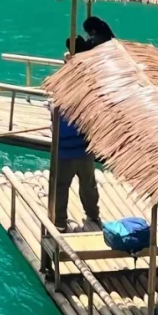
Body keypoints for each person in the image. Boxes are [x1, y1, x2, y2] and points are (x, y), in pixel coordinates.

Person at [54, 97, 100, 231]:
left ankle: (60, 221)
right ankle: (93, 214)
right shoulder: (87, 109)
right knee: (88, 185)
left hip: (64, 155)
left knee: (61, 187)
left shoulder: (58, 110)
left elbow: (56, 129)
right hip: (84, 154)